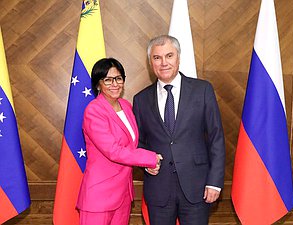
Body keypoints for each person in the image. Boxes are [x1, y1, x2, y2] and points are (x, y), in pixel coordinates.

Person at [133, 35, 225, 225]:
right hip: (158, 190)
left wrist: (214, 181)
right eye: (157, 58)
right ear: (151, 62)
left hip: (197, 187)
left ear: (178, 57)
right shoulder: (140, 99)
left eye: (169, 56)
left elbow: (216, 137)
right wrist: (145, 162)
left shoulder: (203, 90)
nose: (164, 63)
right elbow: (139, 142)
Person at [76, 57, 162, 225]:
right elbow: (113, 150)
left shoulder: (126, 106)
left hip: (123, 193)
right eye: (107, 80)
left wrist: (146, 163)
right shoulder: (93, 111)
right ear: (98, 84)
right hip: (100, 195)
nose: (114, 84)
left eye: (118, 78)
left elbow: (132, 145)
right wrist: (149, 158)